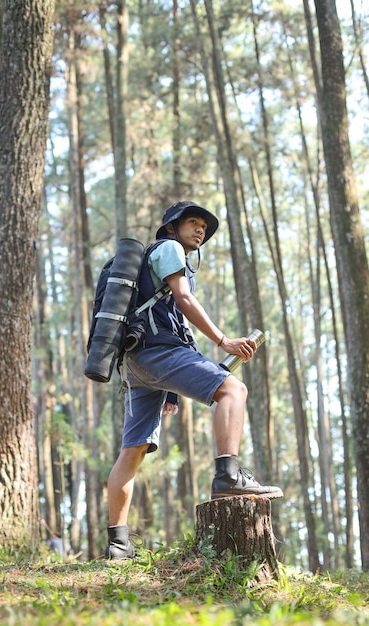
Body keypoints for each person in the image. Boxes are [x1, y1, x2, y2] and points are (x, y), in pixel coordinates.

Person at [105, 200, 283, 559]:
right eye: (192, 222)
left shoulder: (156, 259)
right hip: (157, 352)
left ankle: (118, 543)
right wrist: (223, 340)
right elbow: (183, 299)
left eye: (204, 225)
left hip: (136, 361)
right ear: (171, 227)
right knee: (233, 389)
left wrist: (167, 389)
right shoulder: (170, 249)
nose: (200, 229)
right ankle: (228, 476)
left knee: (133, 449)